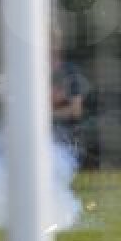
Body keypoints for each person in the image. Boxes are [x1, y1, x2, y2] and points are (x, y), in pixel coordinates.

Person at [50, 26, 90, 155]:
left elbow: (76, 111)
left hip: (65, 137)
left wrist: (45, 116)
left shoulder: (70, 72)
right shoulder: (32, 74)